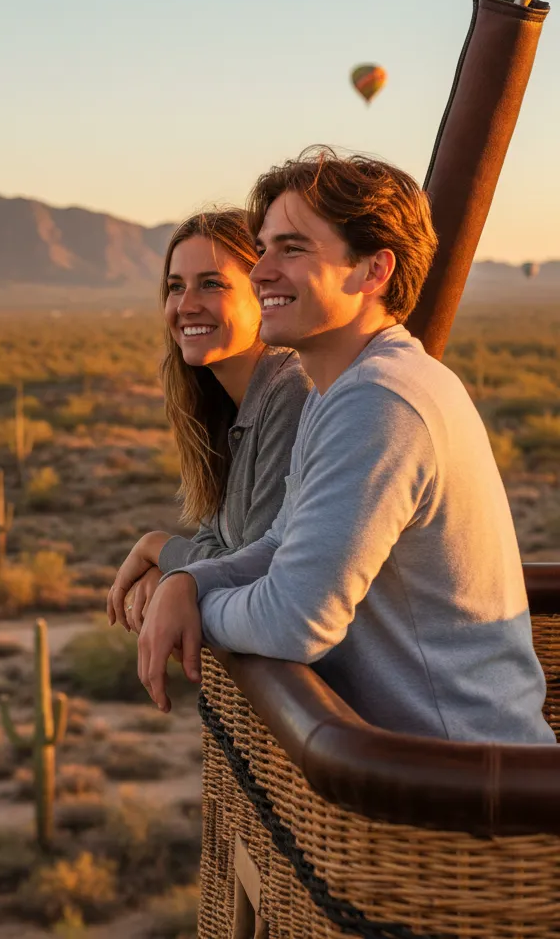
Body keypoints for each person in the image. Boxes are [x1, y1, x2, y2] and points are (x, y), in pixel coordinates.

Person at [138, 147, 555, 745]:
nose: (260, 272)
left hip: (456, 781)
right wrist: (189, 583)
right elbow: (281, 542)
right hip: (425, 761)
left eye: (293, 248)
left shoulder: (382, 401)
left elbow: (296, 620)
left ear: (372, 271)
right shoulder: (339, 389)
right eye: (263, 249)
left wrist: (191, 612)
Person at [106, 209, 312, 632]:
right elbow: (212, 545)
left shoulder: (292, 392)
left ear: (262, 294)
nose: (186, 306)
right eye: (175, 287)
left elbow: (255, 572)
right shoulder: (228, 406)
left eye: (212, 284)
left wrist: (158, 550)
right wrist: (174, 567)